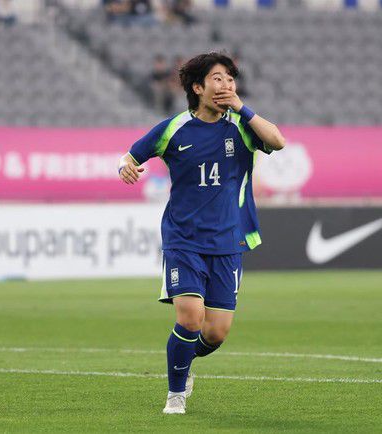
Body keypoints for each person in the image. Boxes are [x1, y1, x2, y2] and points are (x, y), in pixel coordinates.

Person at [118, 52, 285, 414]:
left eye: (230, 78)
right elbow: (131, 155)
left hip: (227, 240)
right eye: (218, 78)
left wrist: (242, 108)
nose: (226, 84)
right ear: (198, 87)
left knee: (215, 333)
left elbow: (278, 141)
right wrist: (125, 167)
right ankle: (175, 395)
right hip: (183, 239)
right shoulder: (173, 128)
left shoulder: (242, 126)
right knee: (190, 318)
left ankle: (183, 360)